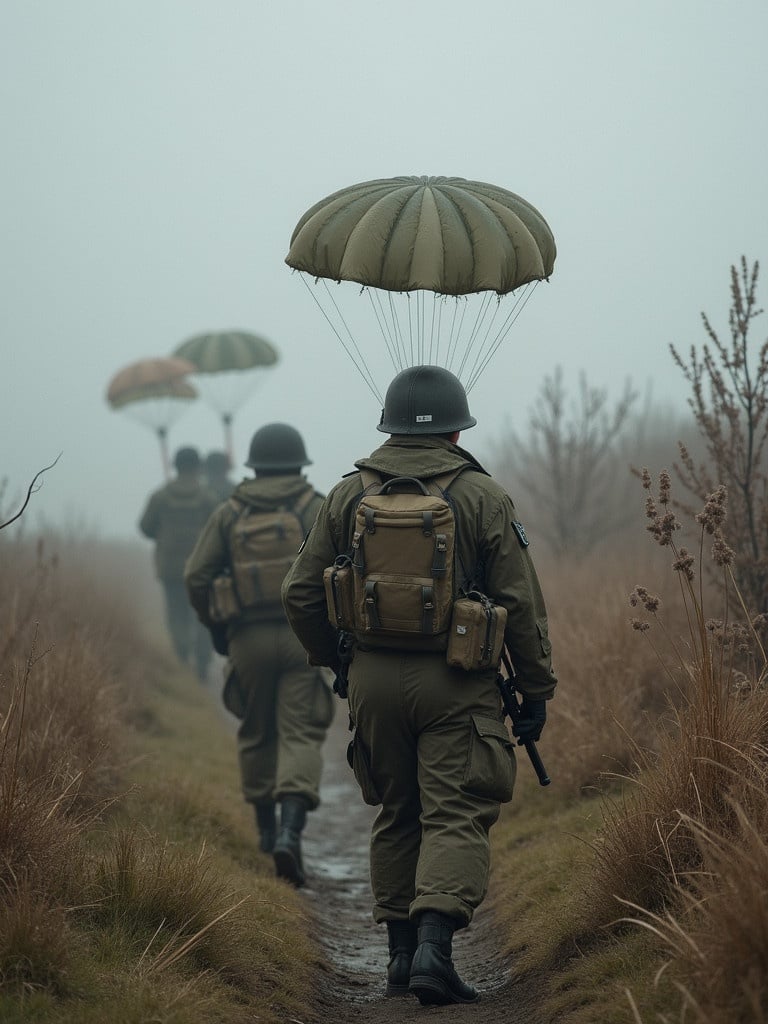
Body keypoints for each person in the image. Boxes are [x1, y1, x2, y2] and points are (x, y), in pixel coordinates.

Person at [281, 365, 557, 1005]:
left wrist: (340, 663)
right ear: (458, 430)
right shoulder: (483, 496)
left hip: (373, 680)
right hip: (459, 680)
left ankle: (401, 961)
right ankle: (437, 952)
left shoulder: (348, 494)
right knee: (456, 811)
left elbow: (299, 591)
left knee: (397, 811)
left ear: (389, 426)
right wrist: (537, 691)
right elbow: (520, 601)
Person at [184, 423, 335, 886]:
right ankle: (292, 834)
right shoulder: (316, 506)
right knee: (301, 733)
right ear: (300, 462)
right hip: (302, 639)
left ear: (253, 464)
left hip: (246, 638)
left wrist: (216, 629)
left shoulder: (230, 511)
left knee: (256, 731)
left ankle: (267, 835)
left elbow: (196, 575)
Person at [139, 446, 218, 681]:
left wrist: (163, 535)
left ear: (175, 466)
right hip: (201, 567)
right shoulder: (208, 497)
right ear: (198, 467)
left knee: (176, 615)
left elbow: (145, 527)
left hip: (171, 568)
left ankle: (182, 657)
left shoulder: (161, 496)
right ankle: (202, 664)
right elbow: (219, 529)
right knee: (202, 617)